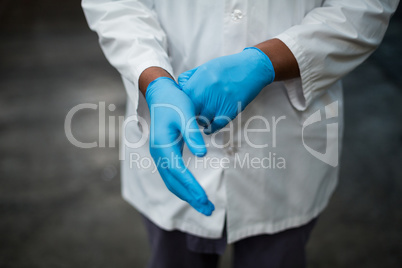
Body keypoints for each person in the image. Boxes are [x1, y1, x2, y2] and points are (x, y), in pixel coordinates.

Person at [82, 0, 399, 267]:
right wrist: (153, 78)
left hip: (287, 144)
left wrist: (268, 61)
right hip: (171, 124)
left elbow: (365, 6)